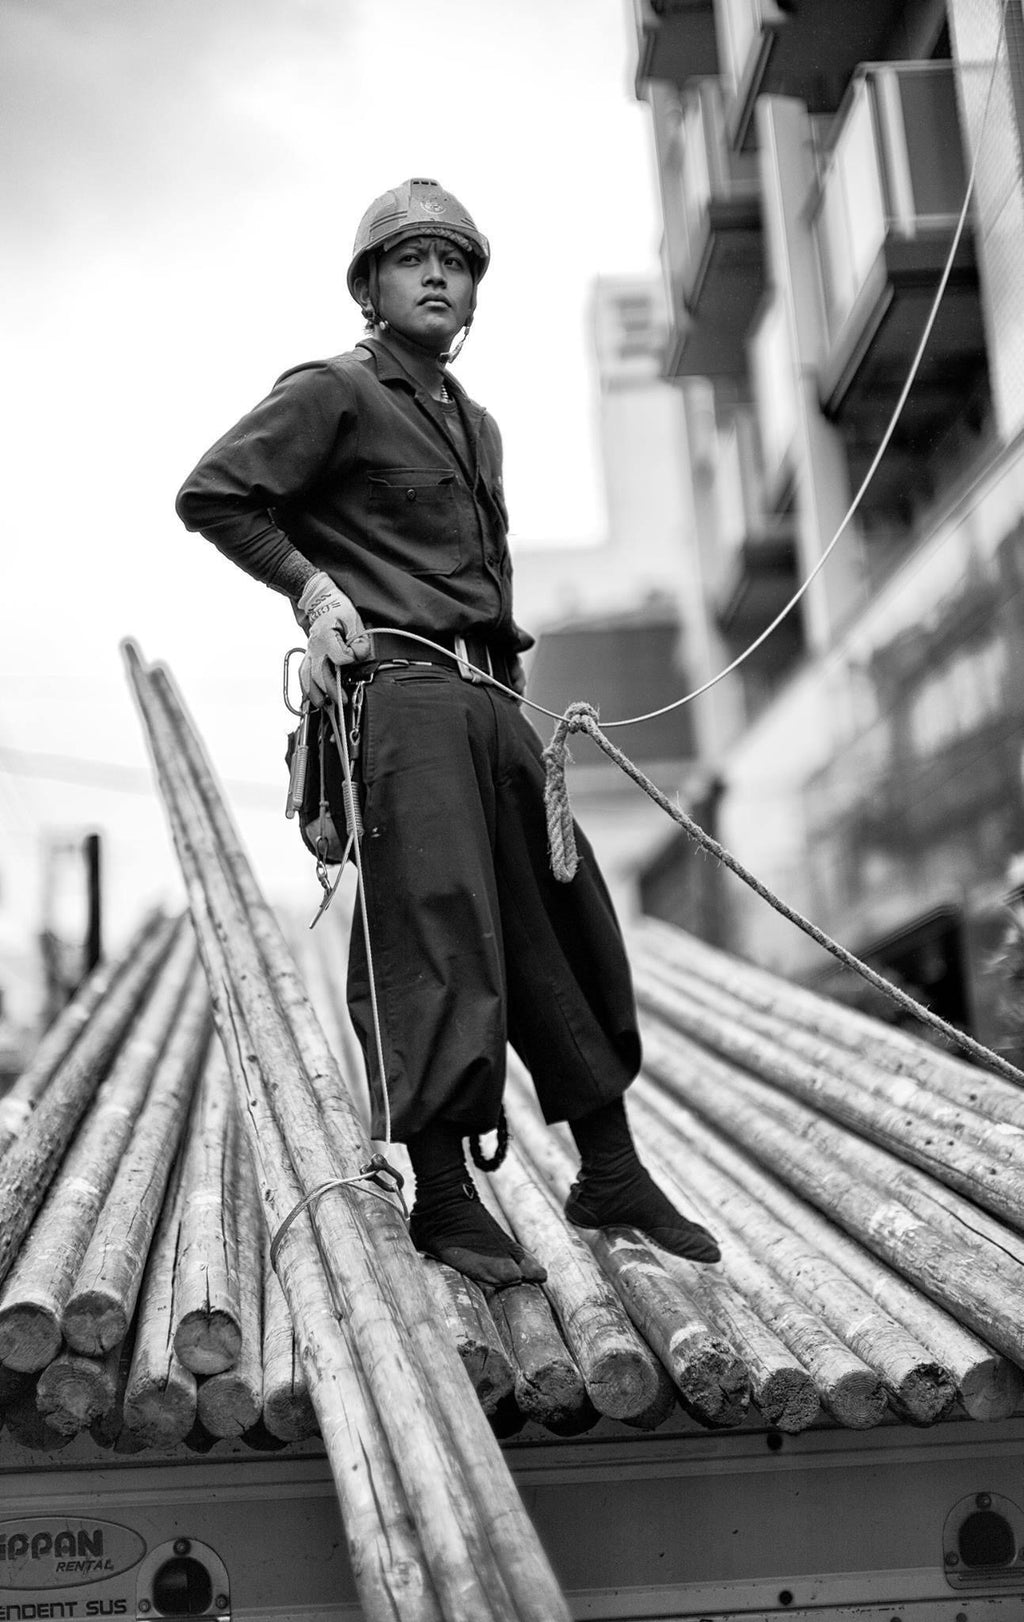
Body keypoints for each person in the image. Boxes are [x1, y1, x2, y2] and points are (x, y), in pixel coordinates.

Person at [176, 177, 720, 1286]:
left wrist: (522, 706)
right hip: (402, 698)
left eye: (455, 259)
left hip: (492, 695)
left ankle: (608, 1166)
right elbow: (214, 493)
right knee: (437, 935)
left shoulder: (476, 425)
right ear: (370, 286)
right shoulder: (332, 390)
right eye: (410, 257)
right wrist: (312, 591)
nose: (436, 273)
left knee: (566, 919)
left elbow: (491, 579)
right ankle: (444, 1197)